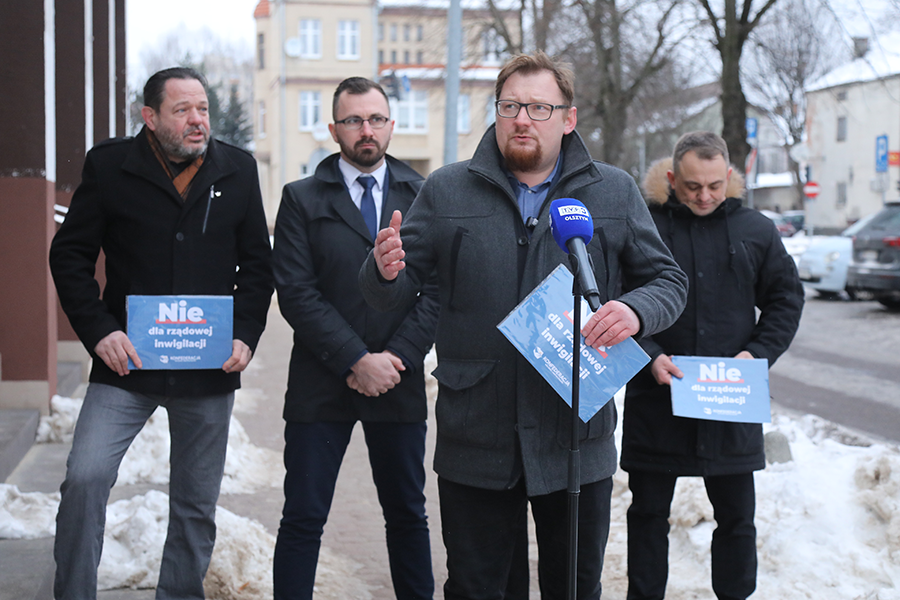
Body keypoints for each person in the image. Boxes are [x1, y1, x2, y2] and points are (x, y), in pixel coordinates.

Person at [360, 51, 689, 600]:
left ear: (568, 118)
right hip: (476, 434)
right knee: (475, 588)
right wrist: (382, 269)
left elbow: (668, 282)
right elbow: (388, 292)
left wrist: (635, 311)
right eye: (510, 106)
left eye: (539, 108)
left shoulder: (612, 191)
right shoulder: (446, 189)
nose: (522, 119)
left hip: (574, 436)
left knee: (573, 588)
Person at [48, 67, 274, 600]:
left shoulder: (237, 169)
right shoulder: (109, 166)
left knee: (195, 503)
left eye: (203, 109)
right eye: (182, 110)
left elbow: (257, 267)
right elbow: (70, 255)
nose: (198, 120)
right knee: (84, 478)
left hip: (207, 367)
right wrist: (100, 331)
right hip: (126, 365)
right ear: (150, 117)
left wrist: (245, 334)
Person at [271, 77, 439, 600]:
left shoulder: (423, 195)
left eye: (376, 119)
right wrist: (354, 359)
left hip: (397, 380)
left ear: (391, 124)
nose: (366, 130)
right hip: (321, 382)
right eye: (353, 120)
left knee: (408, 514)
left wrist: (397, 357)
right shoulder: (300, 197)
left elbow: (437, 290)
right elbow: (296, 292)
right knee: (303, 516)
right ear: (333, 129)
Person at [621, 131, 804, 600]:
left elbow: (786, 299)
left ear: (729, 177)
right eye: (692, 186)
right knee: (647, 517)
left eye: (714, 186)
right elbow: (616, 302)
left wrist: (757, 354)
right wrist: (649, 355)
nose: (704, 196)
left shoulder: (755, 230)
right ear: (671, 179)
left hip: (730, 401)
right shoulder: (644, 228)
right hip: (657, 402)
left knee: (738, 520)